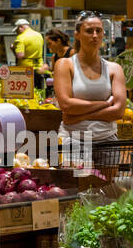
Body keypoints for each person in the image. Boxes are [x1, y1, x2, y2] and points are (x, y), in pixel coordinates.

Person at [53, 12, 126, 167]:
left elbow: (119, 111)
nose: (94, 35)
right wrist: (105, 104)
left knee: (107, 189)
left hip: (107, 141)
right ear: (77, 34)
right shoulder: (65, 65)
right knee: (77, 189)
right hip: (73, 140)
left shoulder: (114, 69)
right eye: (89, 31)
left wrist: (76, 116)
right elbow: (66, 105)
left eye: (98, 31)